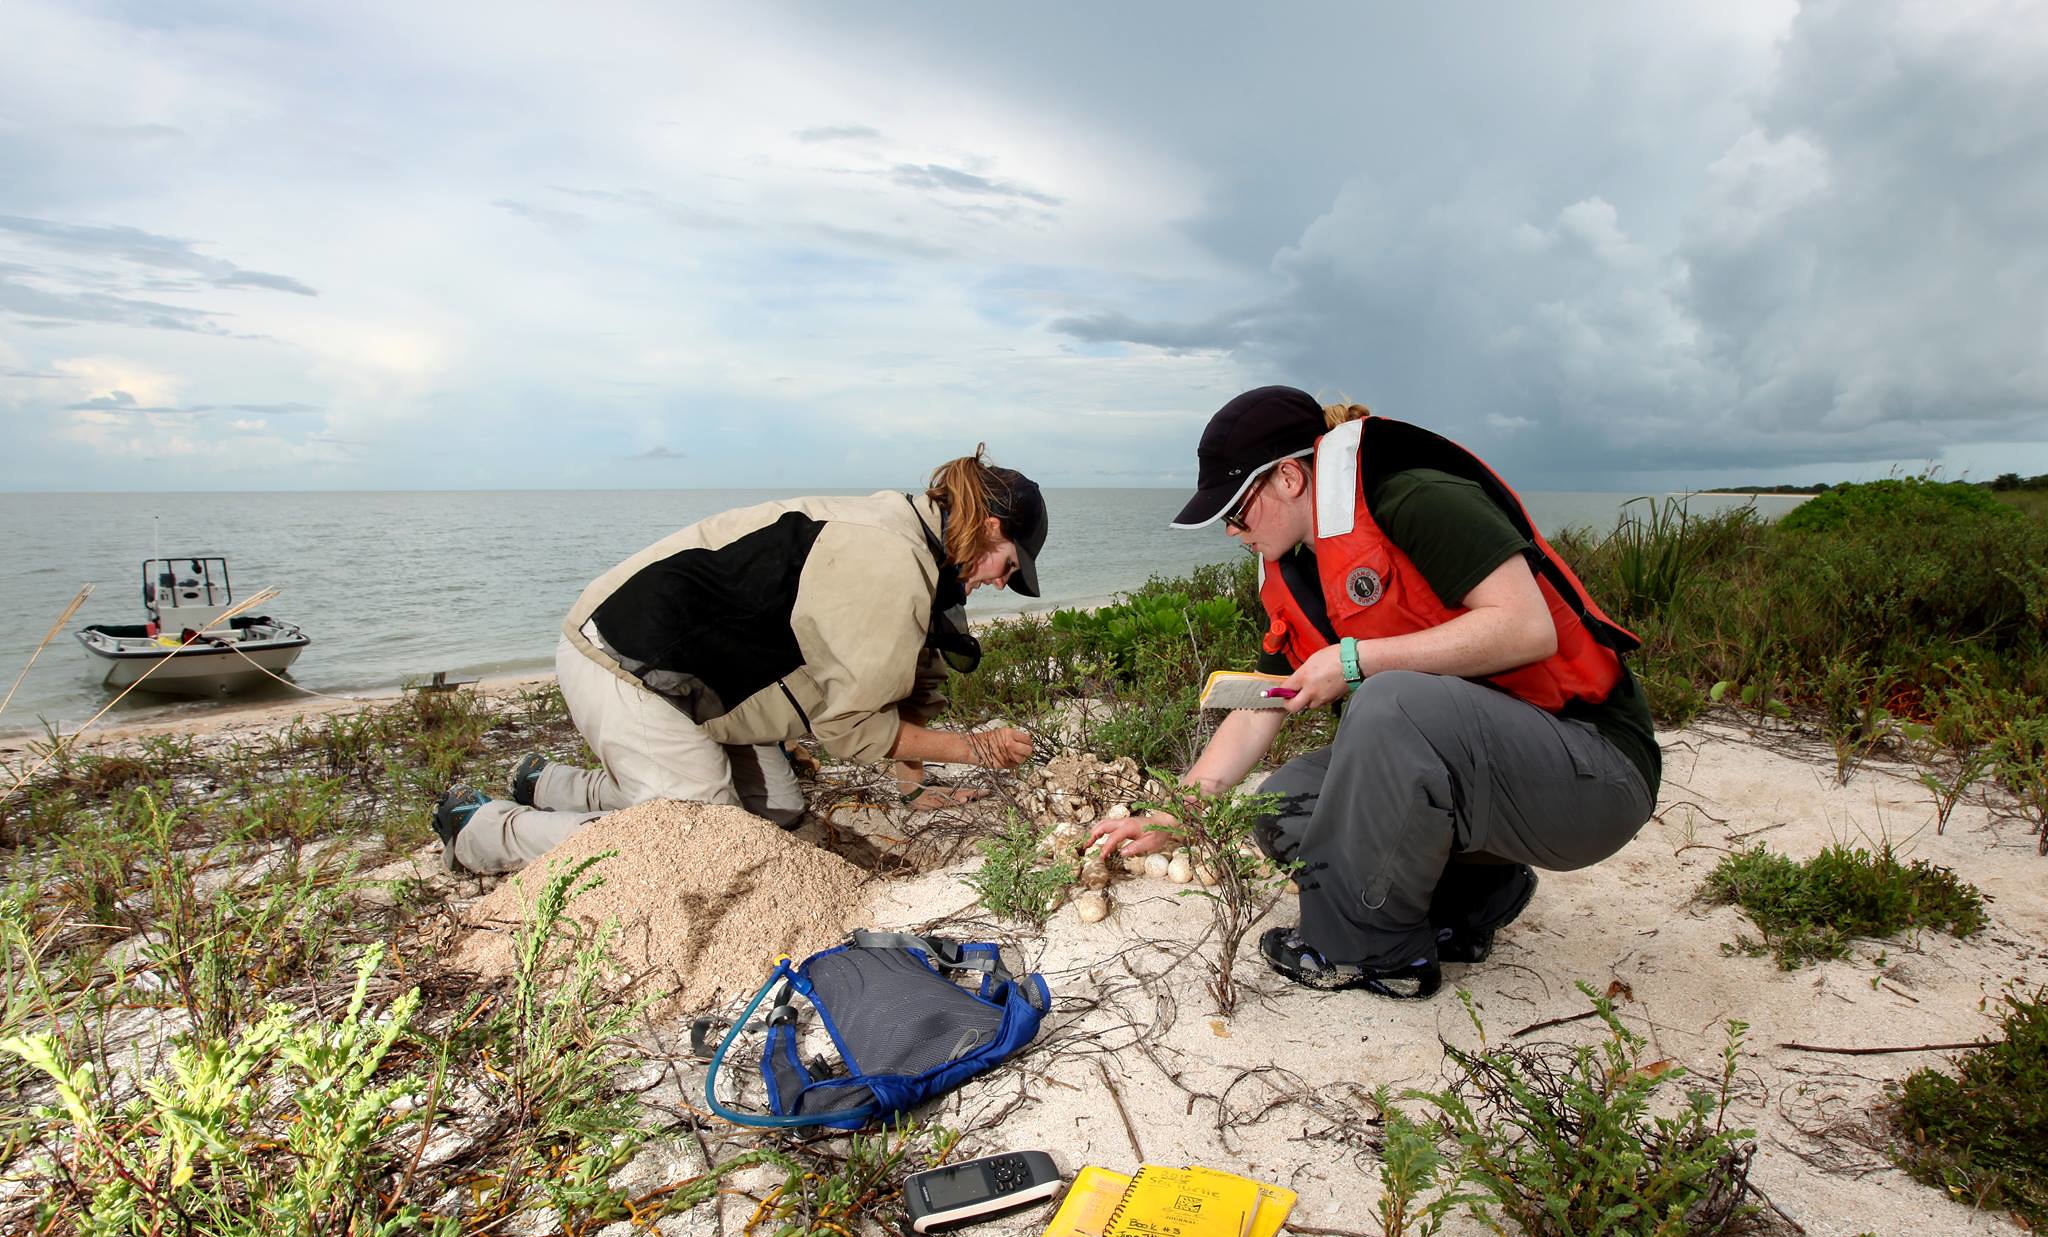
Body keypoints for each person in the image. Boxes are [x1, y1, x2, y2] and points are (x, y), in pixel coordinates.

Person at [1089, 386, 1658, 998]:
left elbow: (1526, 626)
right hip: (1502, 779)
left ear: (1288, 477)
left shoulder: (1411, 496)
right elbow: (1265, 704)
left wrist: (1358, 661)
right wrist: (1183, 812)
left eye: (1237, 509)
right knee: (1284, 805)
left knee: (1390, 704)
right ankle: (1472, 900)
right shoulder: (1298, 568)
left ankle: (1365, 951)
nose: (1232, 531)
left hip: (1594, 773)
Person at [435, 447, 1047, 874]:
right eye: (1008, 567)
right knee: (701, 839)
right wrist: (976, 750)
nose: (999, 584)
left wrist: (913, 792)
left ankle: (547, 782)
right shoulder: (891, 559)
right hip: (630, 663)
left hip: (705, 682)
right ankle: (480, 827)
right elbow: (850, 728)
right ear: (989, 526)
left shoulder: (919, 543)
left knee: (775, 810)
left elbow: (901, 691)